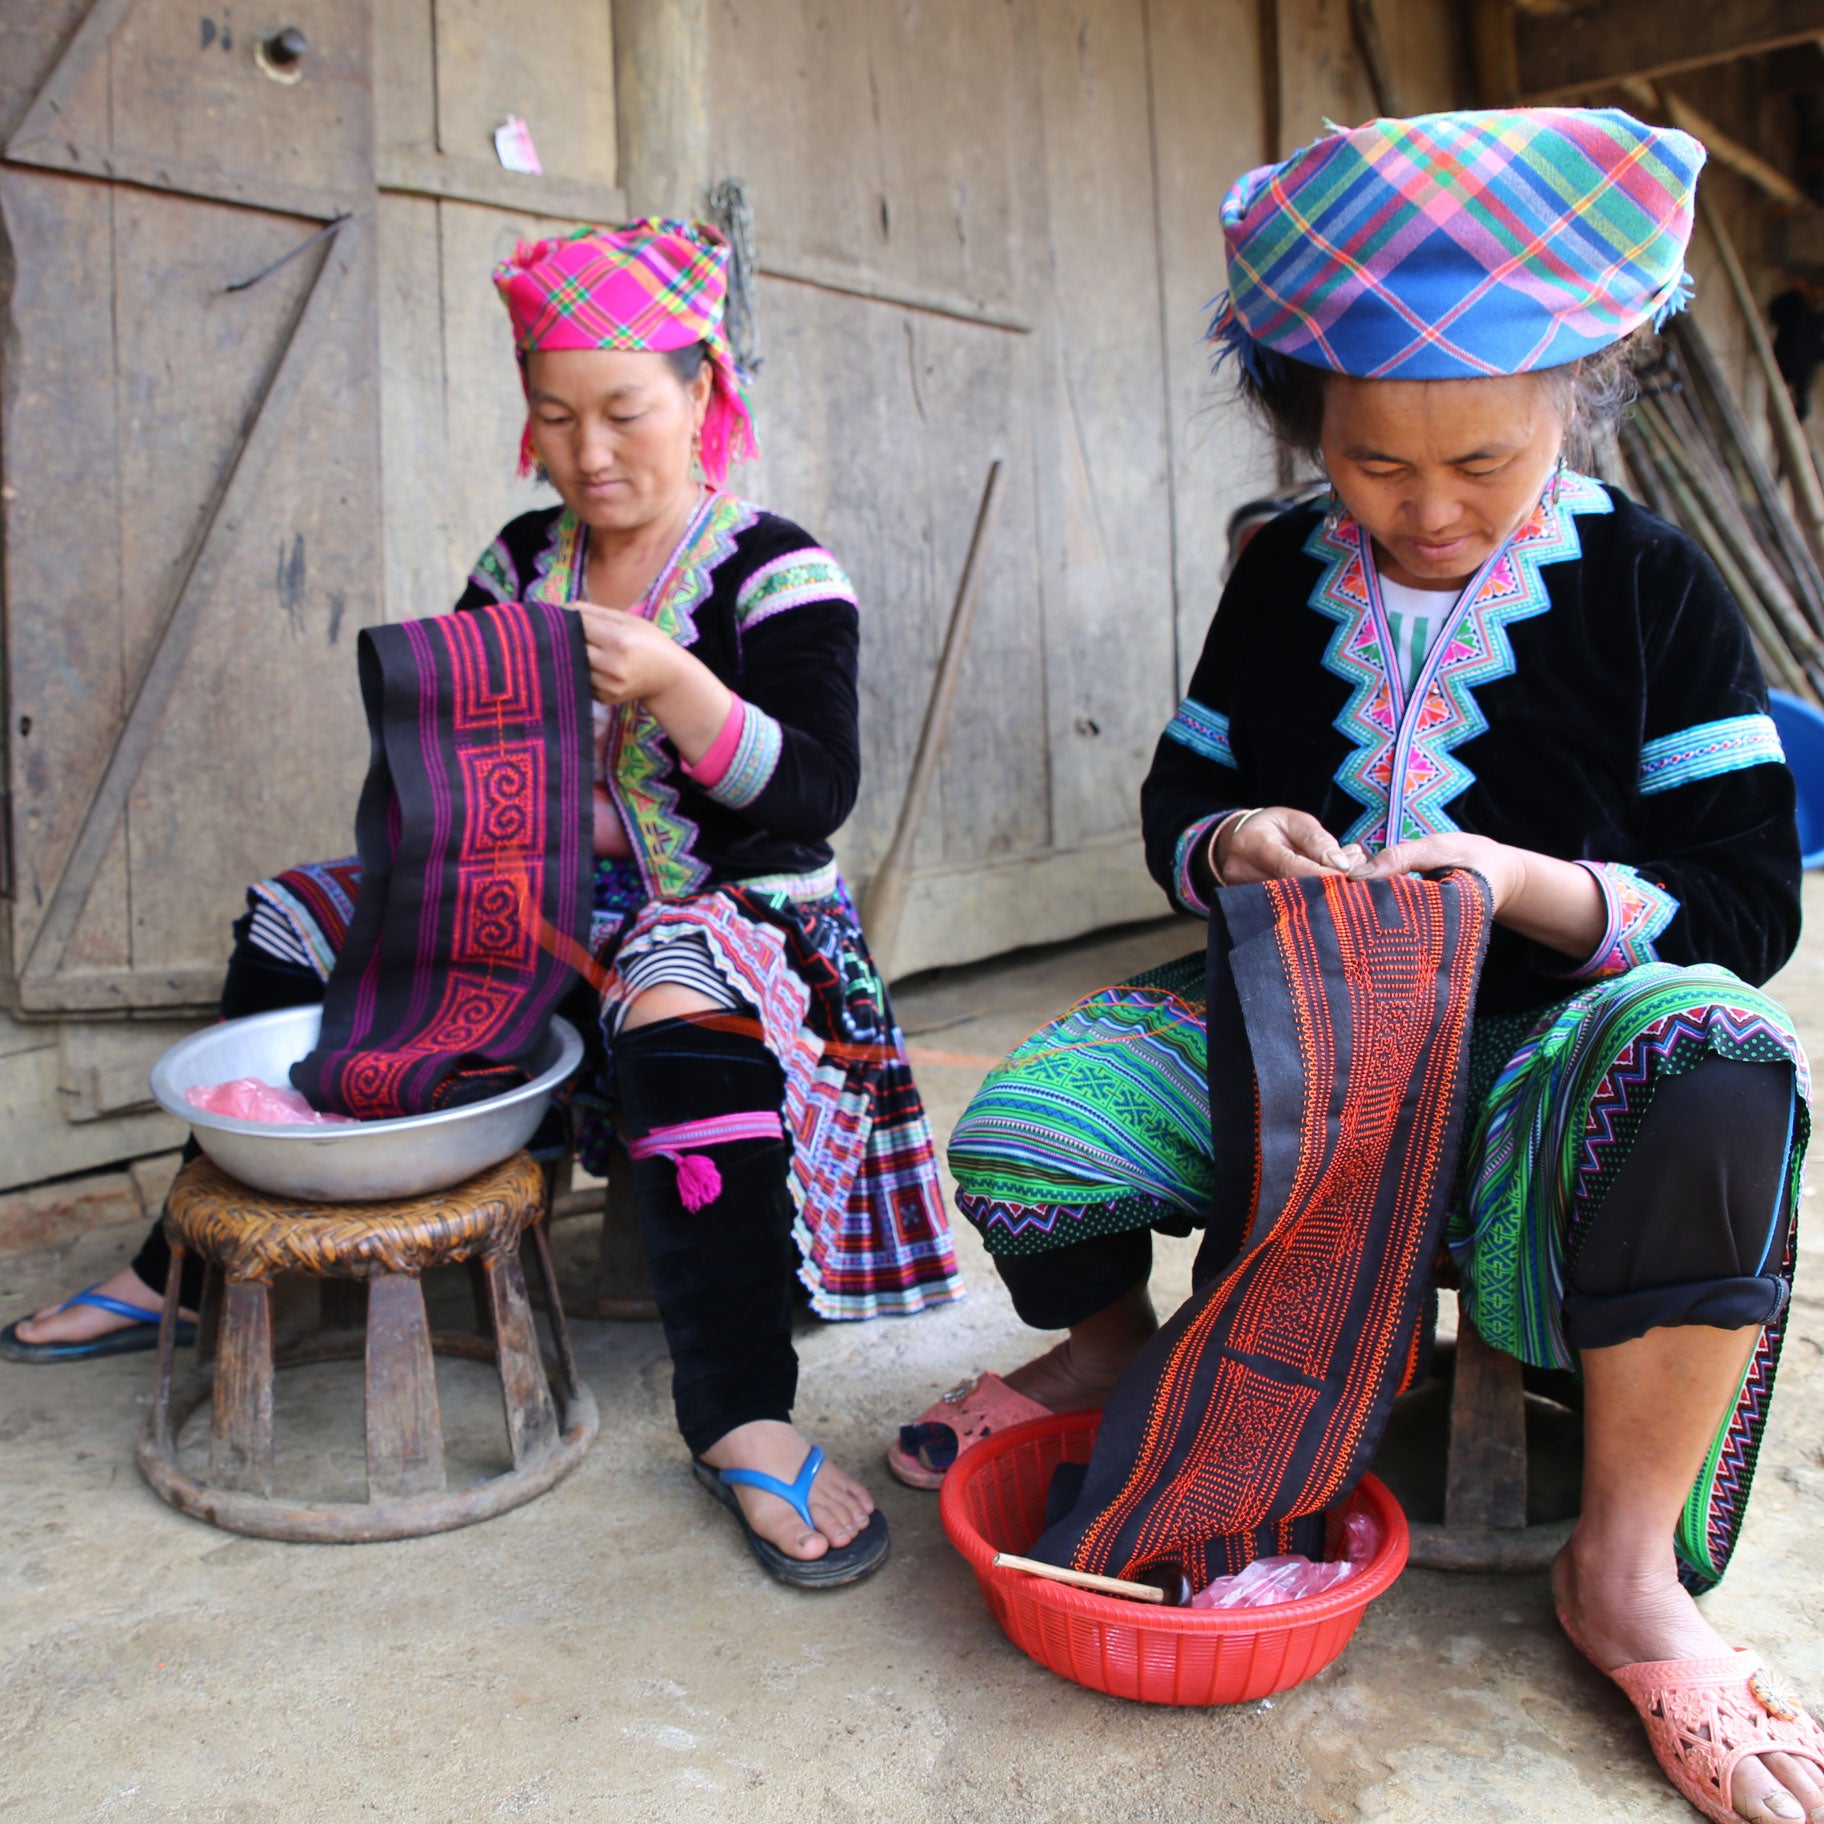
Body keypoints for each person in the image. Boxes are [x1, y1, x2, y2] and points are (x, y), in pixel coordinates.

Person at [901, 111, 1824, 1818]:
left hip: (1547, 1048)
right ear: (1308, 423)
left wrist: (1527, 885)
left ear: (1578, 397)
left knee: (1721, 1070)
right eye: (1374, 464)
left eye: (1481, 460)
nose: (1427, 507)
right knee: (1032, 1130)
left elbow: (1750, 898)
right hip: (1287, 1035)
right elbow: (1179, 796)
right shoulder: (1280, 574)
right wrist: (1234, 839)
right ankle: (1105, 1351)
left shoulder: (1649, 585)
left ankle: (1624, 1573)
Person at [4, 219, 962, 1590]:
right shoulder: (524, 560)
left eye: (624, 410)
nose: (589, 452)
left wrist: (678, 686)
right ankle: (187, 1267)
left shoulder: (778, 571)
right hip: (543, 897)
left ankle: (739, 1411)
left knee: (676, 995)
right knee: (294, 916)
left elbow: (813, 794)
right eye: (555, 417)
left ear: (701, 390)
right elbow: (452, 756)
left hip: (737, 905)